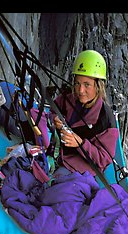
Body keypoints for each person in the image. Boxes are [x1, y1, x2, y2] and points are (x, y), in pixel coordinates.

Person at [51, 49, 119, 177]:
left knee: (57, 182)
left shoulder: (106, 120)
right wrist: (55, 119)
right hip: (56, 150)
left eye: (87, 84)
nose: (80, 90)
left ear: (98, 86)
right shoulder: (68, 98)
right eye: (77, 83)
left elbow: (104, 159)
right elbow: (52, 110)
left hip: (78, 166)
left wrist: (80, 144)